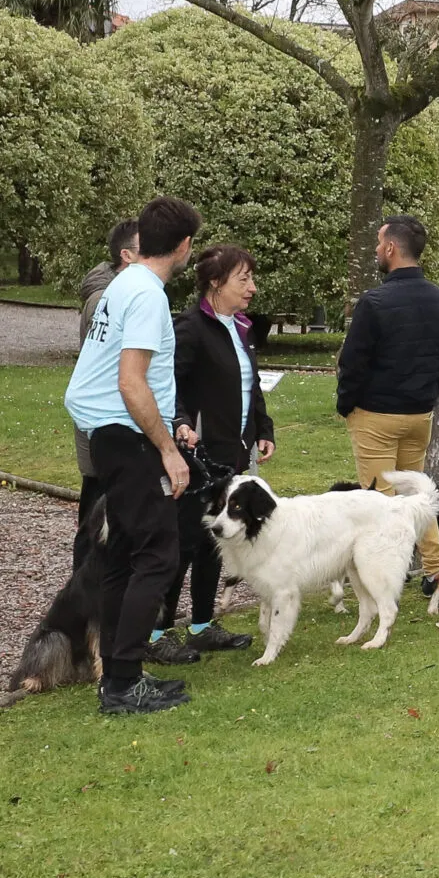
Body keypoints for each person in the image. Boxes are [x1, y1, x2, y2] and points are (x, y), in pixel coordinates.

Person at [65, 196, 201, 715]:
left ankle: (120, 677)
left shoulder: (124, 283)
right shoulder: (146, 294)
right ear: (184, 245)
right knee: (158, 556)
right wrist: (168, 449)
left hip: (111, 436)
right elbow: (131, 382)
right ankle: (123, 682)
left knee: (123, 555)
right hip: (128, 438)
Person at [152, 243, 274, 659]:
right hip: (197, 456)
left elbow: (251, 385)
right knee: (183, 543)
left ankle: (202, 625)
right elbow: (169, 384)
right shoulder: (190, 328)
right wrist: (181, 422)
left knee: (215, 541)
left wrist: (263, 428)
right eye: (244, 279)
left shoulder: (242, 328)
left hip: (231, 456)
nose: (252, 288)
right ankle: (157, 632)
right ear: (216, 283)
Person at [335, 213, 439, 590]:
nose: (376, 249)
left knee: (381, 502)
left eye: (379, 243)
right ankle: (436, 568)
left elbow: (352, 362)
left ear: (391, 248)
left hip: (376, 413)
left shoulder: (373, 302)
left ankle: (385, 575)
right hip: (419, 414)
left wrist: (346, 403)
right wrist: (427, 394)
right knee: (416, 494)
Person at [73, 218, 142, 565]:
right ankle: (84, 590)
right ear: (127, 255)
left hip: (112, 419)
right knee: (95, 512)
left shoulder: (126, 293)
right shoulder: (106, 299)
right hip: (103, 421)